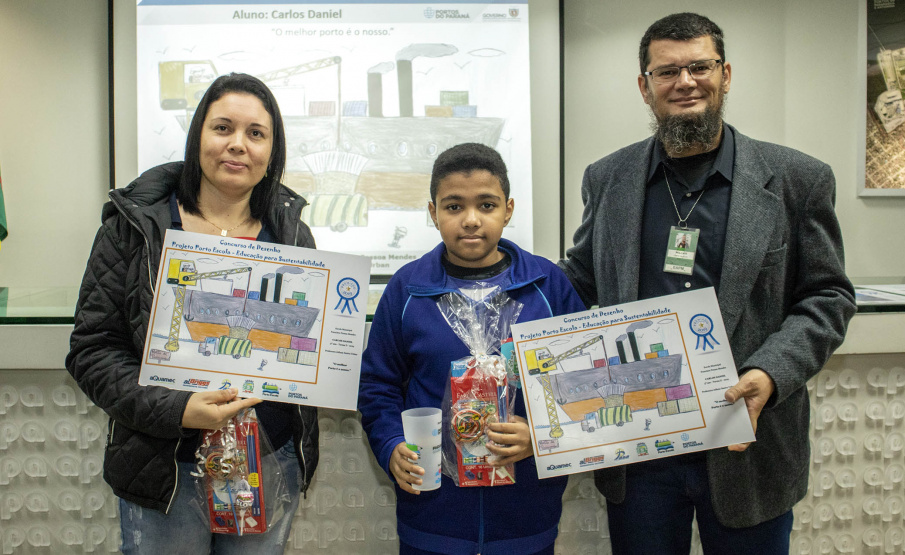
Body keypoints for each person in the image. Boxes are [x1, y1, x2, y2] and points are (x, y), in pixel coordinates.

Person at [559, 13, 856, 555]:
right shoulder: (607, 178)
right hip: (640, 443)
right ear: (645, 87)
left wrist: (771, 371)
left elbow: (828, 296)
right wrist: (496, 289)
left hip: (748, 439)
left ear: (725, 74)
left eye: (700, 66)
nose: (686, 81)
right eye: (668, 71)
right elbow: (579, 279)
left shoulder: (798, 179)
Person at [66, 73, 319, 554]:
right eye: (222, 128)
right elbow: (92, 351)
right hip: (167, 465)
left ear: (272, 151)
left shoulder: (292, 235)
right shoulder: (136, 227)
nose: (238, 145)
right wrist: (179, 410)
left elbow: (305, 350)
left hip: (267, 458)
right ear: (197, 136)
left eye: (256, 133)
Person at [359, 143, 585, 555]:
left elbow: (581, 386)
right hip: (432, 517)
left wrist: (541, 436)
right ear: (433, 213)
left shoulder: (547, 286)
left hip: (526, 518)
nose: (471, 220)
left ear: (509, 209)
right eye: (453, 207)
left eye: (486, 204)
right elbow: (377, 385)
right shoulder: (407, 289)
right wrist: (391, 444)